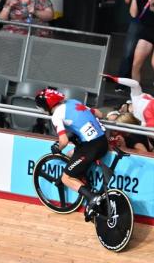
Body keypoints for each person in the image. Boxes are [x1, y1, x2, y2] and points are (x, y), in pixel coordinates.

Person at [36, 87, 109, 219]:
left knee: (66, 178)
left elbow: (63, 140)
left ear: (46, 106)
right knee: (70, 154)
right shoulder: (74, 102)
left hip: (91, 146)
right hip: (102, 141)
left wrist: (58, 148)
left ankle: (93, 198)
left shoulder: (56, 115)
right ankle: (86, 184)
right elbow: (99, 113)